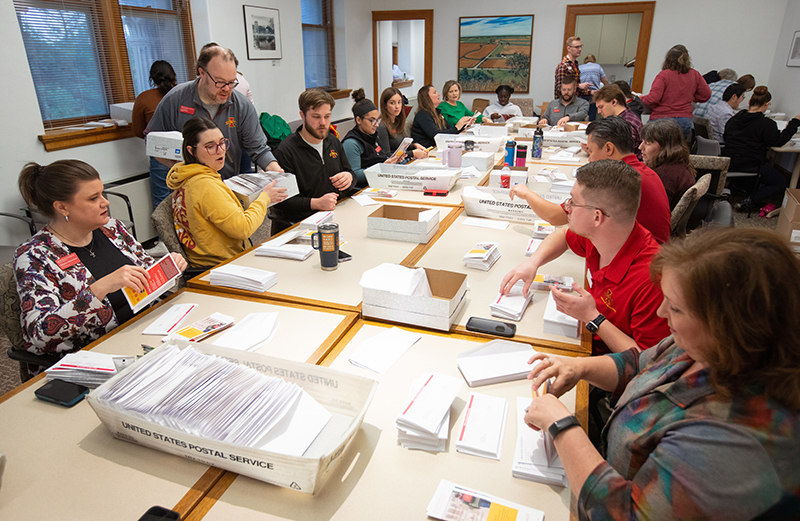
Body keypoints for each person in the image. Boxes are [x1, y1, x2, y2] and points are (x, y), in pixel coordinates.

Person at [523, 227, 800, 520]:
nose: (661, 313)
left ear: (729, 325)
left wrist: (561, 426)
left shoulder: (737, 438)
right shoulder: (702, 347)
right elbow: (639, 364)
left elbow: (624, 514)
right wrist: (579, 367)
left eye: (677, 308)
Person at [13, 160, 188, 375]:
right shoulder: (35, 255)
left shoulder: (112, 228)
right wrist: (99, 289)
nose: (105, 202)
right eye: (93, 198)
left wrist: (169, 268)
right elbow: (38, 333)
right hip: (94, 358)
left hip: (146, 333)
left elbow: (147, 273)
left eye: (102, 194)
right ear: (62, 207)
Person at [501, 160, 669, 355]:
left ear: (597, 217)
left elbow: (651, 363)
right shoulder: (603, 235)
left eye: (573, 201)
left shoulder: (652, 280)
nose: (567, 207)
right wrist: (533, 262)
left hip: (607, 366)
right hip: (583, 341)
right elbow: (563, 235)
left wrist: (593, 318)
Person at [509, 117, 671, 244]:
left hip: (642, 264)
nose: (590, 159)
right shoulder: (644, 170)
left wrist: (527, 194)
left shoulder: (616, 179)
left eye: (592, 151)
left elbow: (556, 216)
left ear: (608, 149)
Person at [146, 44, 283, 180]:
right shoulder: (176, 99)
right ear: (202, 73)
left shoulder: (241, 105)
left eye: (231, 83)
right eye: (220, 82)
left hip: (226, 186)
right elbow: (152, 141)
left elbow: (259, 149)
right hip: (189, 187)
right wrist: (180, 168)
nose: (226, 89)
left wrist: (278, 172)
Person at [166, 118, 286, 267]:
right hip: (223, 267)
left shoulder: (185, 174)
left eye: (222, 142)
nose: (221, 150)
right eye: (210, 146)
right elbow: (243, 228)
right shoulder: (205, 186)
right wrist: (265, 198)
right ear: (191, 151)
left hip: (207, 262)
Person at [270, 88, 356, 233]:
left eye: (327, 116)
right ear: (302, 115)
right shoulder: (286, 151)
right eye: (316, 117)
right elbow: (282, 201)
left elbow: (349, 173)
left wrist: (349, 178)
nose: (323, 123)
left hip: (334, 217)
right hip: (302, 224)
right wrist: (317, 203)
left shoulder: (333, 141)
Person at [722, 86, 800, 212]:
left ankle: (739, 186)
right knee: (780, 182)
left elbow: (726, 137)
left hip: (729, 159)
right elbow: (778, 141)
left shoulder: (734, 118)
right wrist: (795, 122)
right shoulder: (766, 124)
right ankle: (750, 201)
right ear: (767, 104)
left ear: (749, 102)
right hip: (750, 163)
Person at [131, 60, 177, 209]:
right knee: (187, 197)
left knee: (162, 202)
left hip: (159, 151)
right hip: (185, 149)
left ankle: (165, 233)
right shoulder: (182, 94)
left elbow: (138, 130)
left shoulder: (144, 98)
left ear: (152, 78)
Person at [640, 45, 711, 141]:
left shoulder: (664, 75)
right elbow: (706, 95)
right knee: (675, 151)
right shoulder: (695, 74)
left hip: (662, 120)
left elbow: (653, 98)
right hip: (684, 120)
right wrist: (691, 97)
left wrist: (640, 98)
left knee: (655, 151)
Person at [342, 89, 400, 187]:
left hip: (379, 182)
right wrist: (381, 168)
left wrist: (394, 159)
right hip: (362, 189)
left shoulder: (373, 135)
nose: (376, 125)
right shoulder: (351, 143)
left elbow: (381, 158)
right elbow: (354, 174)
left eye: (377, 120)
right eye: (372, 121)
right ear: (359, 120)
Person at [639, 119, 697, 210]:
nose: (640, 147)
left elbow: (654, 211)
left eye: (647, 143)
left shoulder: (665, 176)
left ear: (664, 147)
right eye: (642, 141)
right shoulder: (678, 163)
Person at [376, 87, 428, 159]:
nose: (397, 106)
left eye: (399, 102)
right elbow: (387, 155)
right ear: (385, 105)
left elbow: (401, 146)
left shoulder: (397, 121)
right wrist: (412, 153)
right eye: (392, 103)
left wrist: (415, 146)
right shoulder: (381, 126)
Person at [593, 84, 642, 159]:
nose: (599, 111)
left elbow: (621, 153)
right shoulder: (625, 117)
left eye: (601, 107)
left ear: (614, 102)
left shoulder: (627, 123)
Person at [579, 54, 608, 120]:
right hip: (594, 93)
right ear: (594, 61)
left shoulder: (580, 67)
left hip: (582, 93)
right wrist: (607, 88)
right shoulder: (598, 67)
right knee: (592, 115)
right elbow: (605, 80)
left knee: (582, 113)